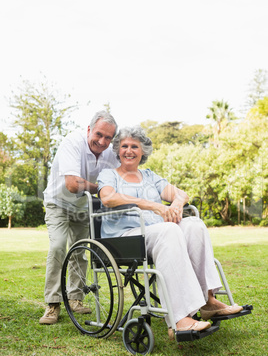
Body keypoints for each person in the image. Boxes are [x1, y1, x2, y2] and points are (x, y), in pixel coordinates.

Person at [97, 126, 243, 337]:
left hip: (154, 232)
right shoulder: (109, 175)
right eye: (124, 146)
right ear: (118, 150)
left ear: (143, 151)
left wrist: (175, 204)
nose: (129, 150)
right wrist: (152, 205)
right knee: (169, 230)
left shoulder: (149, 176)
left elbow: (181, 194)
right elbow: (108, 198)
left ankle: (208, 301)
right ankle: (179, 319)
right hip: (124, 237)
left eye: (134, 146)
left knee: (194, 224)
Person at [40, 111, 120, 324]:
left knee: (81, 250)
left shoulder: (111, 152)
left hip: (83, 207)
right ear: (89, 130)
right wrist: (102, 188)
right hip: (58, 203)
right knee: (58, 246)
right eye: (99, 134)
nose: (102, 142)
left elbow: (121, 179)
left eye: (108, 138)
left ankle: (75, 298)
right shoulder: (73, 143)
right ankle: (53, 304)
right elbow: (73, 184)